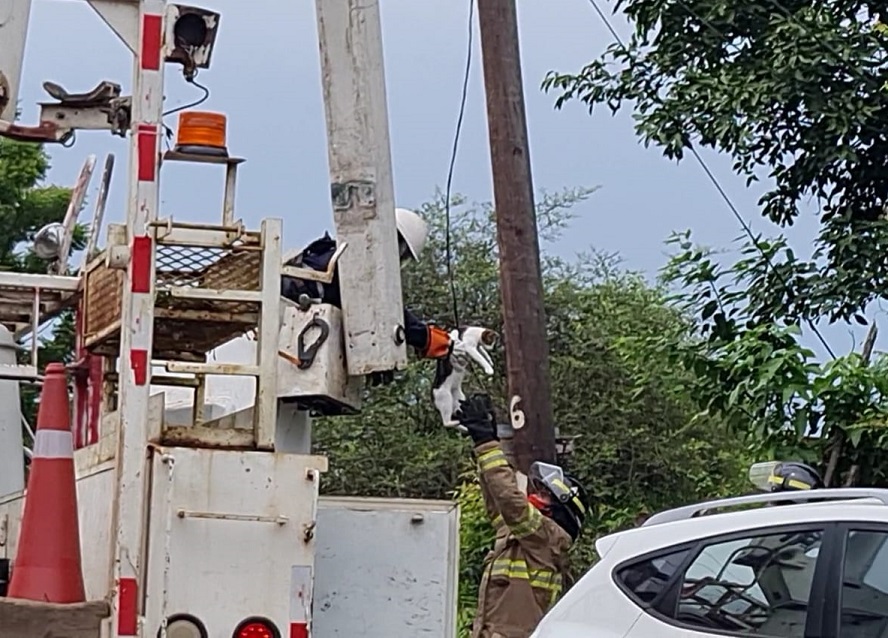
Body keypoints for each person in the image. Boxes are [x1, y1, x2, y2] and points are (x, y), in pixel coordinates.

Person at [455, 393, 589, 638]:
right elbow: (499, 501)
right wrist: (484, 442)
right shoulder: (525, 539)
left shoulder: (548, 539)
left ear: (559, 510)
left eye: (544, 494)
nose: (535, 496)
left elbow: (510, 500)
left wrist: (487, 442)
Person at [280, 207, 452, 361]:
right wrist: (426, 337)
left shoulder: (341, 253)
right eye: (402, 254)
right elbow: (387, 311)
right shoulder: (354, 261)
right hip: (289, 313)